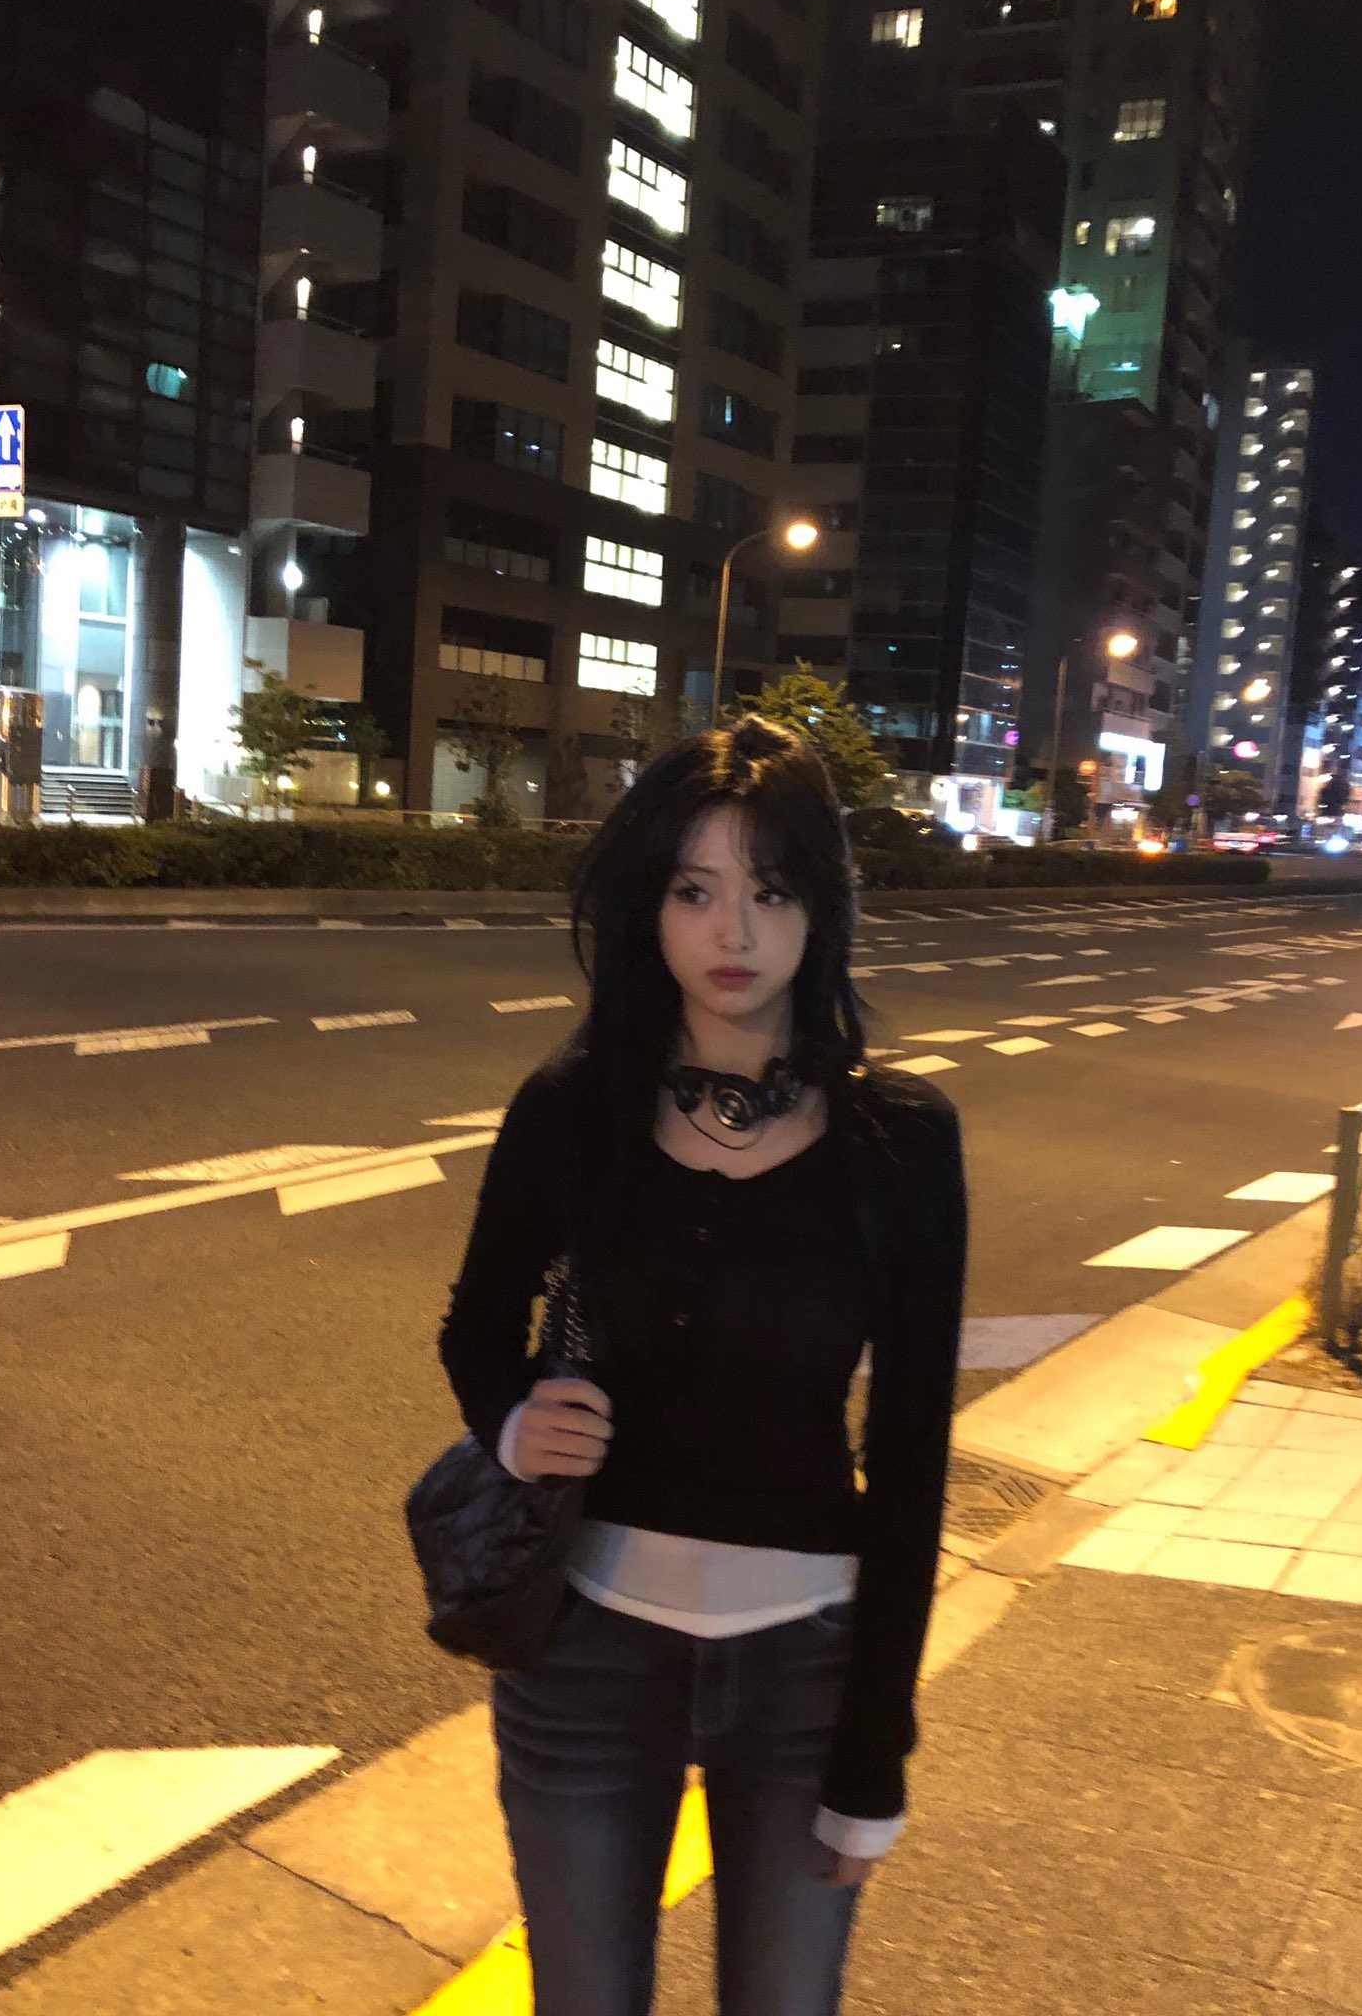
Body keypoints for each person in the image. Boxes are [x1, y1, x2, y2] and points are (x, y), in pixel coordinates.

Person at [438, 714, 967, 2016]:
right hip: (585, 1647)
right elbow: (477, 1321)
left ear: (822, 908)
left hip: (805, 1670)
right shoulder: (573, 1109)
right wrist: (512, 1421)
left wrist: (876, 1751)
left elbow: (909, 1458)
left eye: (770, 891)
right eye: (694, 891)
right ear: (649, 907)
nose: (733, 932)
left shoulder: (900, 1142)